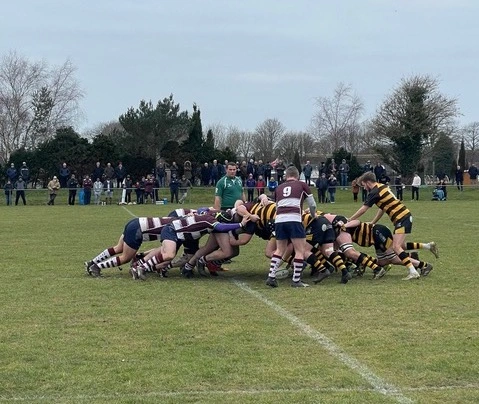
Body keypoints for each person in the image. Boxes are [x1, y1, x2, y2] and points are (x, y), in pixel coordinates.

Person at [348, 171, 422, 280]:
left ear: (367, 182)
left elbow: (363, 209)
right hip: (402, 217)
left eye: (363, 185)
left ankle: (413, 271)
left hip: (402, 217)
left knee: (396, 247)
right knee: (398, 246)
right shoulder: (381, 186)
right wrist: (373, 222)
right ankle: (420, 257)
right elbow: (382, 208)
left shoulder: (374, 191)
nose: (364, 188)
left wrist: (350, 219)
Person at [266, 165, 317, 288]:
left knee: (279, 249)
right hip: (294, 219)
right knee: (300, 250)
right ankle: (296, 280)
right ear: (297, 176)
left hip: (279, 220)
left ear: (286, 176)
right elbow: (312, 204)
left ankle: (271, 276)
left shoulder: (279, 188)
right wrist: (313, 215)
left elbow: (277, 206)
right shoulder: (302, 185)